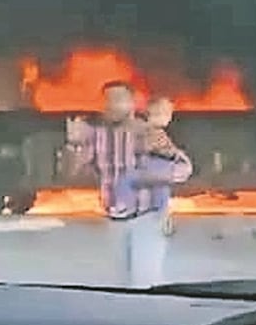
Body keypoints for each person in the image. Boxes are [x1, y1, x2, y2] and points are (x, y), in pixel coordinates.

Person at [63, 81, 193, 287]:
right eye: (107, 101)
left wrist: (149, 177)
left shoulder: (149, 132)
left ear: (133, 103)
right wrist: (74, 144)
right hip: (114, 218)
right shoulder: (97, 136)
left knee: (147, 282)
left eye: (118, 99)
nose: (112, 105)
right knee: (120, 285)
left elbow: (183, 169)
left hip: (148, 217)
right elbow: (71, 174)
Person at [109, 96, 188, 236]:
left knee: (126, 179)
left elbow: (150, 148)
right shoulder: (152, 131)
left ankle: (122, 207)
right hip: (162, 168)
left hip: (155, 167)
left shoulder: (150, 131)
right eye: (166, 114)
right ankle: (161, 219)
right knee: (161, 191)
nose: (168, 118)